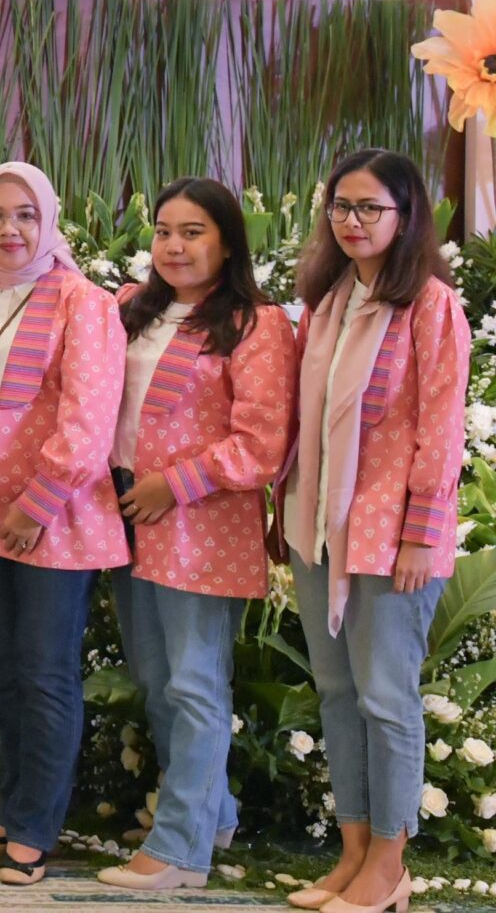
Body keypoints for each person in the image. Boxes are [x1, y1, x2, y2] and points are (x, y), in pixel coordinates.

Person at [278, 148, 468, 913]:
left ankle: (390, 865)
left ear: (405, 215)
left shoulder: (428, 306)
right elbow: (307, 426)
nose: (352, 222)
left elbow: (442, 428)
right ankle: (353, 856)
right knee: (334, 692)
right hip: (316, 530)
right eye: (341, 207)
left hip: (391, 537)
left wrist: (425, 531)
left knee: (386, 698)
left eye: (370, 209)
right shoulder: (326, 303)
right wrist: (283, 514)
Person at [94, 179, 295, 893]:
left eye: (194, 232)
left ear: (229, 240)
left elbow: (262, 443)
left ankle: (180, 851)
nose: (175, 246)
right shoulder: (132, 310)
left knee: (195, 684)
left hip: (203, 525)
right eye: (165, 231)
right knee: (156, 681)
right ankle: (211, 813)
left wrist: (170, 485)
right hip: (129, 519)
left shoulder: (254, 323)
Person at [0, 163, 127, 887]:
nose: (8, 230)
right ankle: (16, 810)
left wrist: (36, 505)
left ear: (47, 222)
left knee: (46, 674)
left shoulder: (84, 303)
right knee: (9, 674)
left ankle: (38, 828)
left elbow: (88, 418)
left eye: (23, 215)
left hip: (54, 513)